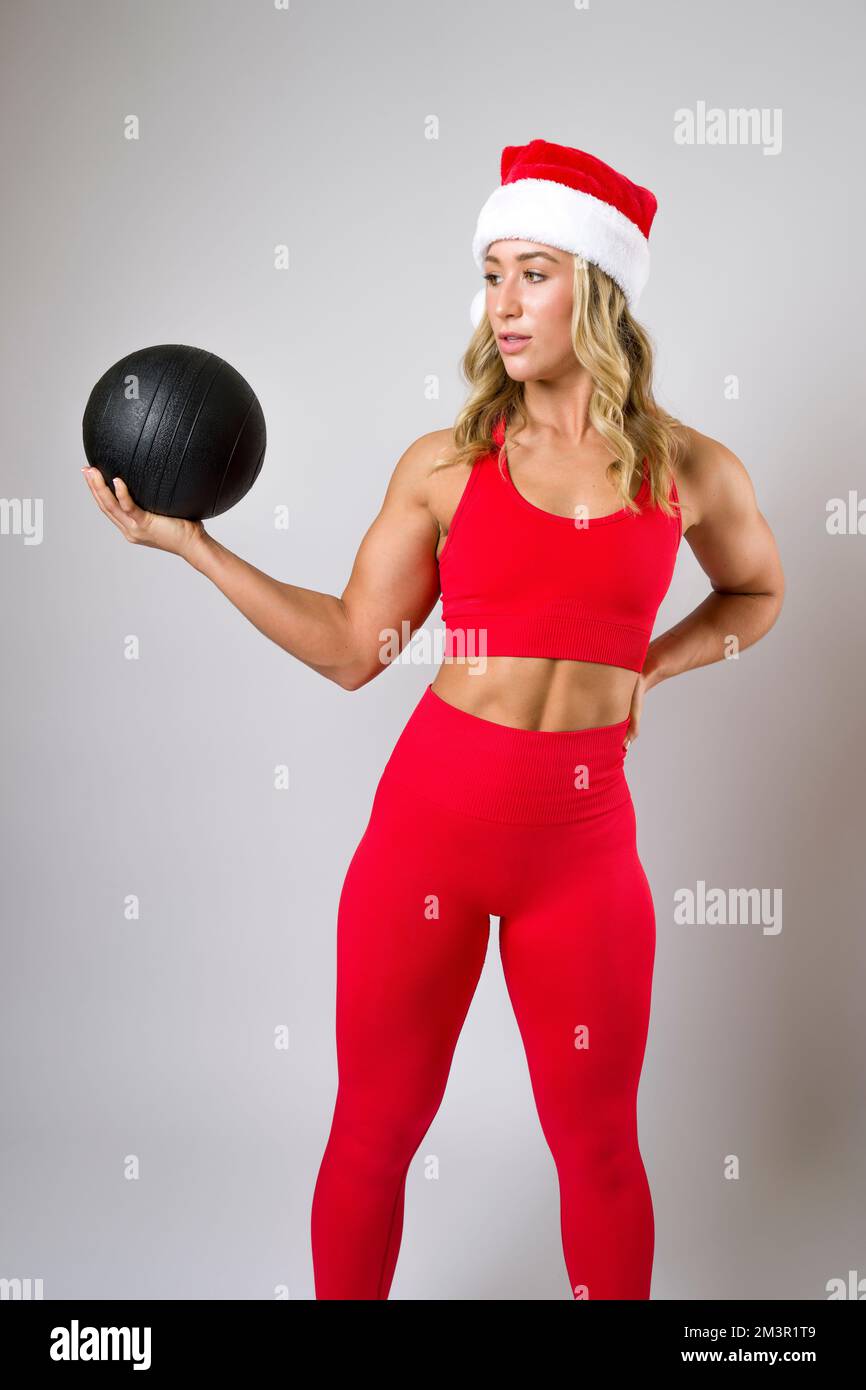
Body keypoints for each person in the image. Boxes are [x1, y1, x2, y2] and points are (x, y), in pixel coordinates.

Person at [82, 138, 785, 1300]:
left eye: (533, 273)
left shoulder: (688, 471)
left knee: (599, 1148)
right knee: (376, 1128)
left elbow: (755, 594)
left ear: (597, 291)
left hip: (583, 849)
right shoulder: (447, 466)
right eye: (492, 273)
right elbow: (357, 648)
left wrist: (651, 669)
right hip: (430, 836)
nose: (501, 303)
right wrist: (198, 547)